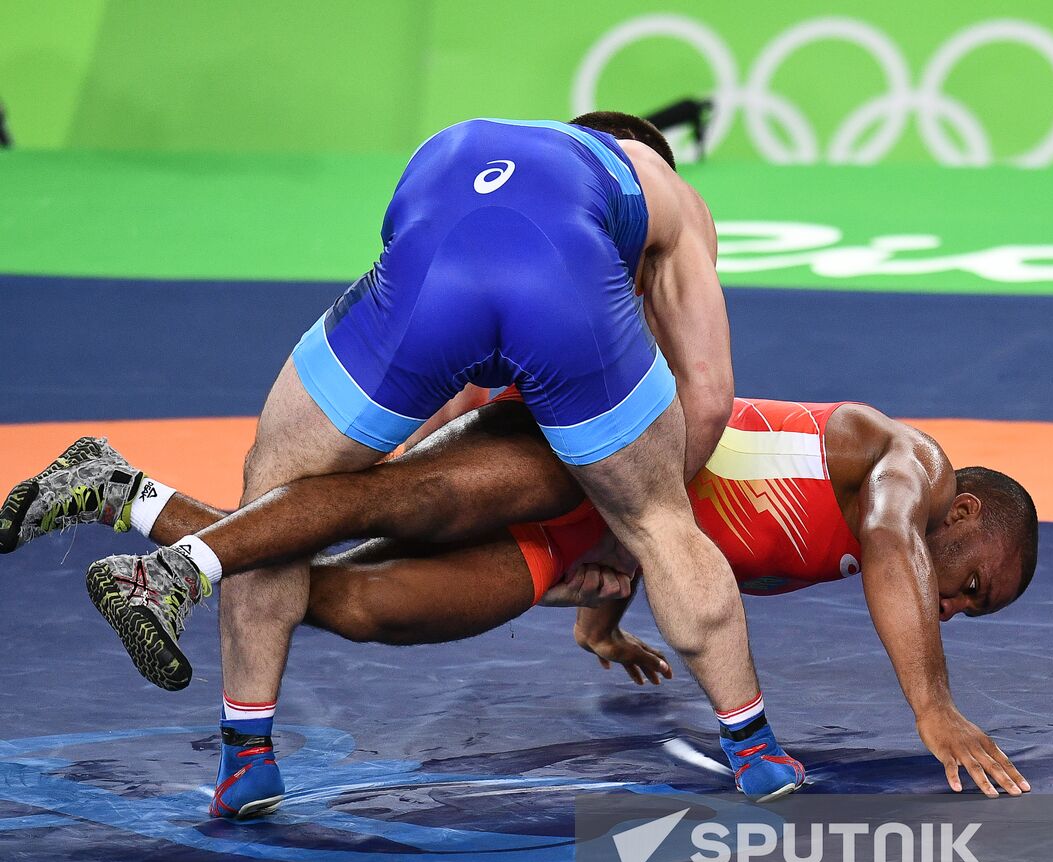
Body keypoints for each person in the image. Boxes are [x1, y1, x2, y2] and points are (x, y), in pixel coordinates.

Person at [65, 111, 802, 805]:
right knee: (660, 521)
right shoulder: (665, 189)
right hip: (557, 285)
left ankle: (245, 758)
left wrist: (386, 494)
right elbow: (706, 397)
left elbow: (448, 375)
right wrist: (626, 526)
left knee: (274, 479)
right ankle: (755, 750)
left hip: (433, 220)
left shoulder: (481, 147)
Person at [1, 390, 1037, 816]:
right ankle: (126, 501)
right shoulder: (911, 465)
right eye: (974, 586)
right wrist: (932, 708)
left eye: (968, 615)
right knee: (373, 514)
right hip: (570, 449)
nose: (955, 604)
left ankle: (114, 490)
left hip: (586, 526)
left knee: (364, 604)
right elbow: (900, 544)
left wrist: (603, 616)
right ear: (968, 510)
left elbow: (686, 535)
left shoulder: (867, 541)